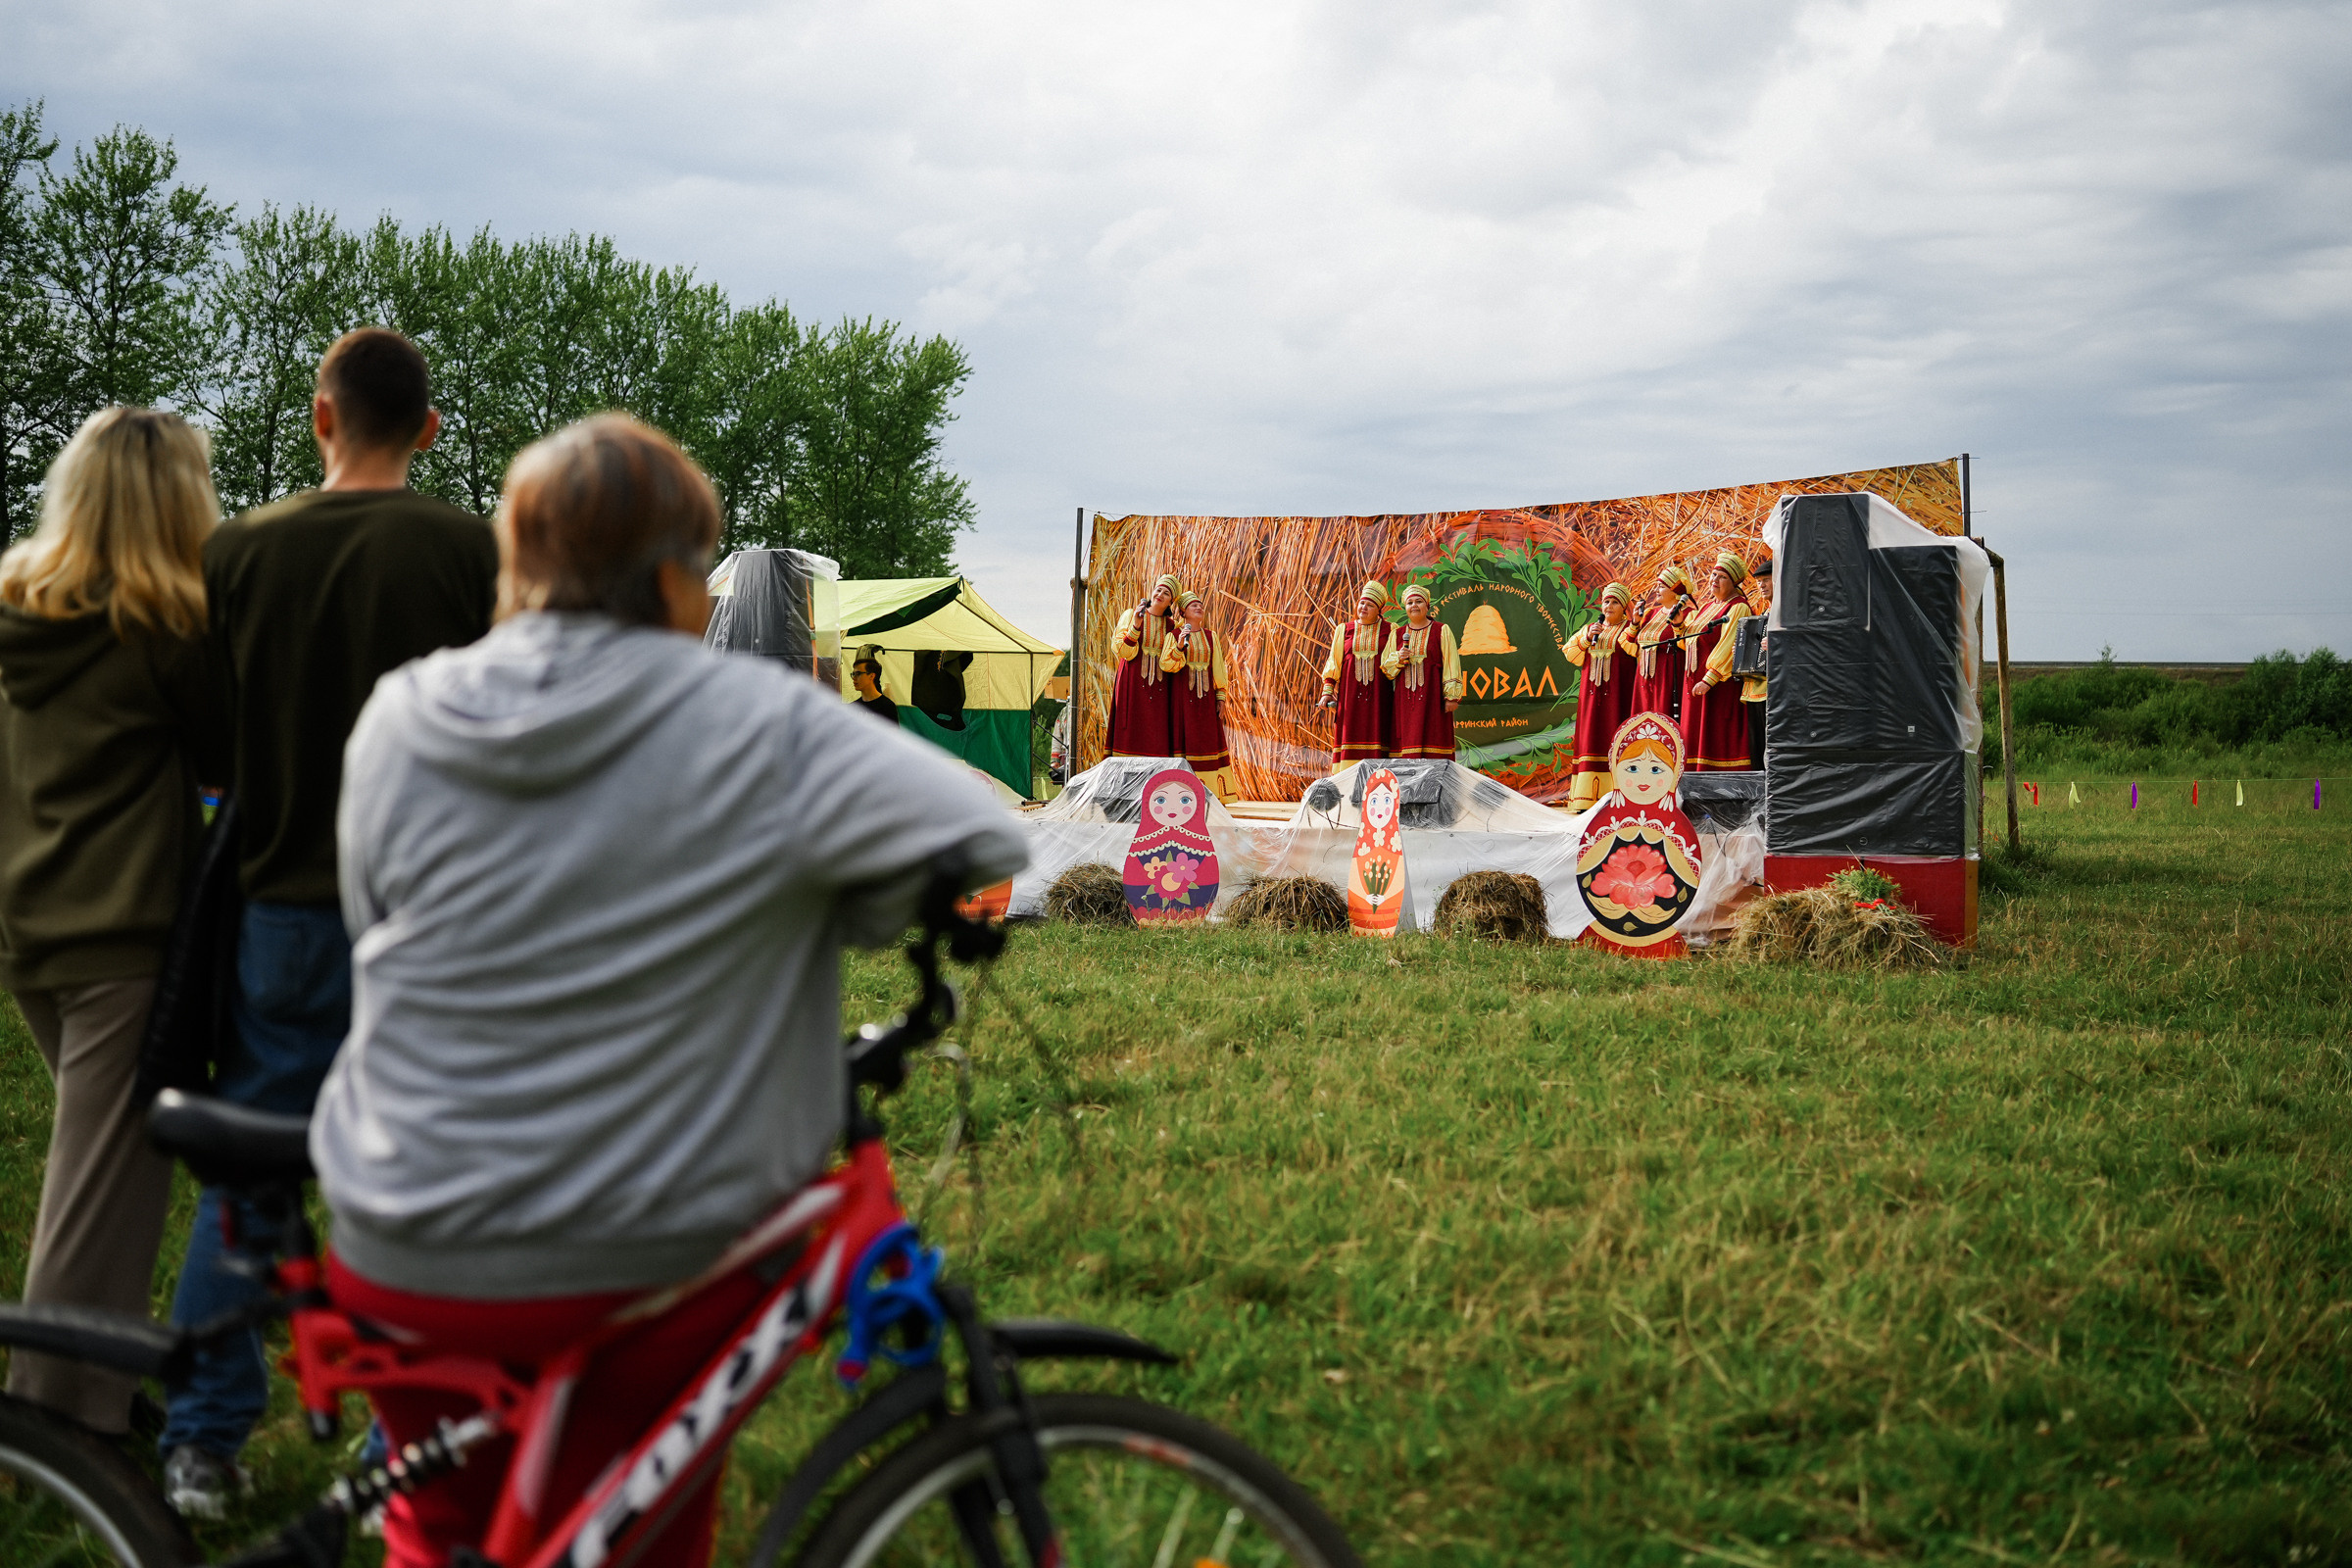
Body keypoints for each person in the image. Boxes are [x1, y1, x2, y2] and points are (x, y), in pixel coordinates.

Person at [311, 414, 1027, 1568]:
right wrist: (842, 905)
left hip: (400, 1231)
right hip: (643, 1251)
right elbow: (981, 835)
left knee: (441, 1532)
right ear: (670, 580)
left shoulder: (403, 712)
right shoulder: (761, 718)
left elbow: (372, 916)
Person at [160, 327, 499, 1516]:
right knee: (428, 1179)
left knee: (252, 1171)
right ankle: (405, 1444)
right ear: (431, 430)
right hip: (435, 917)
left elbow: (210, 740)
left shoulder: (239, 550)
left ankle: (200, 1440)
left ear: (319, 418)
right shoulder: (471, 552)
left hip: (284, 902)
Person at [0, 408, 220, 1435]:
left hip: (28, 931)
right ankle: (53, 1436)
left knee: (99, 1181)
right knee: (98, 1203)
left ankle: (96, 1403)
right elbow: (228, 757)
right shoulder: (163, 628)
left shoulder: (16, 610)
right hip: (120, 940)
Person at [1560, 581, 1639, 808]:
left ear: (1624, 607)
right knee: (1589, 738)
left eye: (1615, 602)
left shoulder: (1629, 630)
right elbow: (1569, 653)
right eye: (1606, 602)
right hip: (1591, 698)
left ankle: (1618, 795)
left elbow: (1635, 652)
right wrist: (1586, 639)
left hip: (1618, 697)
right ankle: (1585, 799)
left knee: (1615, 738)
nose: (1609, 606)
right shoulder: (1592, 628)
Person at [1678, 552, 1754, 771]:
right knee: (1694, 735)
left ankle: (1718, 794)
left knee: (1715, 735)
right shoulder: (1706, 608)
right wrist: (1678, 626)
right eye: (1713, 574)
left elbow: (1729, 647)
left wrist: (1709, 679)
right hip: (1694, 683)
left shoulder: (1738, 606)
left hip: (1718, 685)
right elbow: (1688, 644)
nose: (1714, 580)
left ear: (1733, 583)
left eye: (1721, 577)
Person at [1161, 591, 1233, 799]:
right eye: (1194, 606)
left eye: (1200, 605)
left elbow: (1218, 668)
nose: (1199, 607)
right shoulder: (1173, 636)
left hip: (1207, 700)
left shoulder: (1211, 637)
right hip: (1183, 700)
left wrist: (1220, 696)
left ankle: (1212, 794)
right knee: (1185, 741)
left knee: (1208, 741)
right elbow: (1166, 665)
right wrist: (1180, 646)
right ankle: (1184, 792)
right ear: (1183, 612)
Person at [1380, 583, 1461, 760]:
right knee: (1407, 749)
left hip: (1433, 699)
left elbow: (1451, 663)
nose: (1414, 605)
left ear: (1427, 606)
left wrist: (1451, 696)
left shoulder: (1442, 630)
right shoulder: (1397, 634)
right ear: (1405, 608)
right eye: (1410, 603)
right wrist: (1398, 658)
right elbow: (1386, 669)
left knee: (1434, 743)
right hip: (1405, 701)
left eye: (1419, 601)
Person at [1319, 580, 1393, 765]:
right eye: (1361, 603)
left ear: (1379, 610)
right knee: (1349, 735)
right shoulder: (1344, 630)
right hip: (1350, 700)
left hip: (1380, 700)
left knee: (1380, 735)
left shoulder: (1390, 630)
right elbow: (1333, 662)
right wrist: (1327, 693)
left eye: (1370, 605)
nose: (1364, 607)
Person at [1107, 572, 1180, 757]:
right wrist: (1136, 626)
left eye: (1166, 593)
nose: (1160, 594)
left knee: (1156, 736)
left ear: (1171, 601)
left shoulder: (1173, 626)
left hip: (1160, 690)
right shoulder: (1131, 615)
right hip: (1131, 685)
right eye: (1158, 589)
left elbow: (1174, 662)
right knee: (1130, 731)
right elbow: (1122, 651)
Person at [1631, 565, 1693, 722]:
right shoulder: (1650, 613)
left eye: (1662, 586)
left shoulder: (1688, 614)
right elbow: (1631, 642)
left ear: (1675, 591)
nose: (1657, 589)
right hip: (1643, 678)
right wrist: (1635, 623)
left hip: (1668, 676)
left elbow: (1690, 645)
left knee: (1663, 720)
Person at [1741, 559, 1772, 766]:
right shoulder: (1766, 612)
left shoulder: (1788, 611)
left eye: (1767, 580)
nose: (1761, 585)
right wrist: (1742, 653)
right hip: (1755, 689)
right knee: (1758, 745)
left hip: (1775, 690)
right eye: (1759, 581)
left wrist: (1778, 642)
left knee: (1770, 744)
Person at [850, 653, 900, 724]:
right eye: (853, 674)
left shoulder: (887, 706)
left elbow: (892, 733)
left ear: (871, 676)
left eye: (858, 674)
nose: (854, 678)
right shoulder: (853, 707)